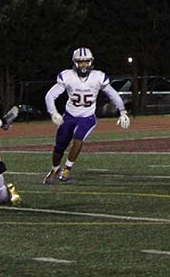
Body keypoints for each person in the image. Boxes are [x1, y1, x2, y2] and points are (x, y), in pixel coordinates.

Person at [43, 47, 130, 183]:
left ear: (91, 62)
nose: (83, 65)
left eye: (86, 62)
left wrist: (122, 111)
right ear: (74, 63)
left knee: (78, 138)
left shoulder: (98, 77)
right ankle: (54, 169)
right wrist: (53, 112)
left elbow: (112, 93)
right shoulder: (67, 76)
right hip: (69, 116)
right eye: (80, 62)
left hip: (87, 117)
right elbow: (50, 96)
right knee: (59, 146)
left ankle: (67, 169)